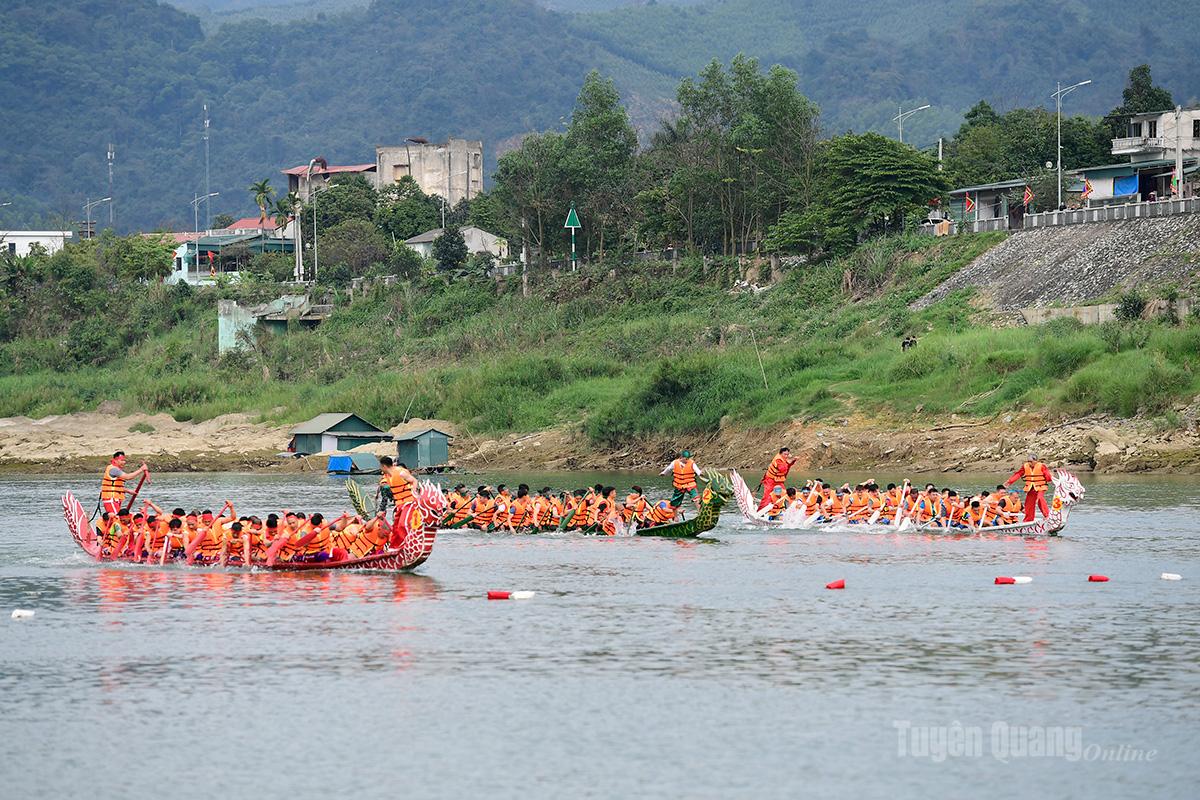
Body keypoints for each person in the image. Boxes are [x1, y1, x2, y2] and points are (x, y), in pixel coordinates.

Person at [1004, 453, 1053, 522]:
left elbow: (1047, 475)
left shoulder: (1042, 466)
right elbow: (1018, 474)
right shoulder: (1025, 466)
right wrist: (1009, 481)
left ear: (1036, 461)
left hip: (1040, 487)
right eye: (1028, 461)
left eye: (1031, 461)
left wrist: (1050, 478)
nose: (1029, 463)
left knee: (1040, 499)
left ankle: (1047, 516)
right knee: (1028, 504)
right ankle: (1028, 520)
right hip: (1030, 488)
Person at [99, 451, 149, 515]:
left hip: (115, 499)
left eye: (124, 460)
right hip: (111, 499)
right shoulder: (114, 469)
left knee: (120, 517)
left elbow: (114, 487)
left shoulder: (116, 469)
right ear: (115, 460)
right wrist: (141, 469)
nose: (124, 462)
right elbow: (128, 477)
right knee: (116, 518)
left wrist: (127, 491)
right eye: (122, 460)